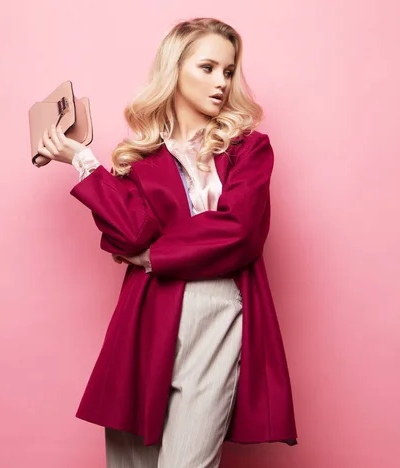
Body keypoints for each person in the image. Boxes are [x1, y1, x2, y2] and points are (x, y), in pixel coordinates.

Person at [36, 17, 297, 468]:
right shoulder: (140, 160)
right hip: (146, 313)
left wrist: (154, 254)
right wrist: (82, 158)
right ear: (175, 70)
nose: (222, 82)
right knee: (131, 462)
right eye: (208, 67)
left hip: (217, 311)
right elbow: (130, 232)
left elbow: (240, 232)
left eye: (229, 71)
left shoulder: (249, 150)